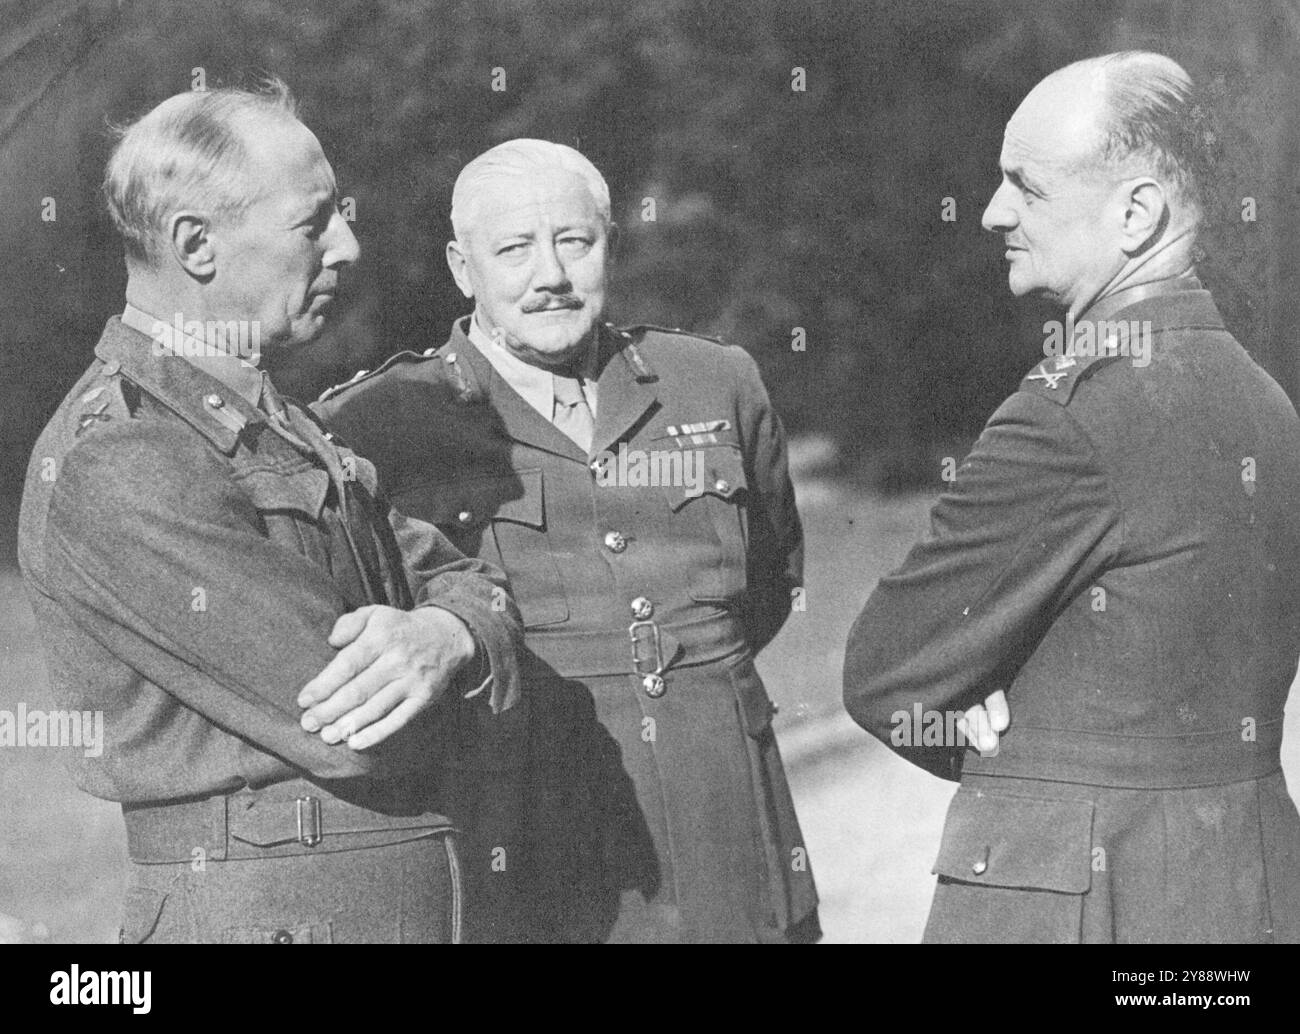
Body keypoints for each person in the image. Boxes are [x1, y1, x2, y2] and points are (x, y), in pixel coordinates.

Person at [18, 82, 523, 944]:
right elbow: (357, 723)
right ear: (196, 245)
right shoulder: (123, 457)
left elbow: (459, 581)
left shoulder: (273, 421)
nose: (349, 246)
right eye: (313, 222)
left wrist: (452, 636)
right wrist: (466, 641)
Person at [843, 51, 1300, 943]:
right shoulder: (1263, 400)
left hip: (1079, 902)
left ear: (1135, 213)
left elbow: (885, 674)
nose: (993, 212)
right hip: (1249, 889)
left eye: (1028, 187)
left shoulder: (1072, 416)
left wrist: (979, 726)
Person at [316, 138, 819, 943]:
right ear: (460, 266)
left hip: (725, 827)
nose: (549, 274)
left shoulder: (715, 381)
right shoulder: (378, 426)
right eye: (513, 249)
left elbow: (768, 583)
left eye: (573, 242)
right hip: (537, 848)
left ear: (609, 247)